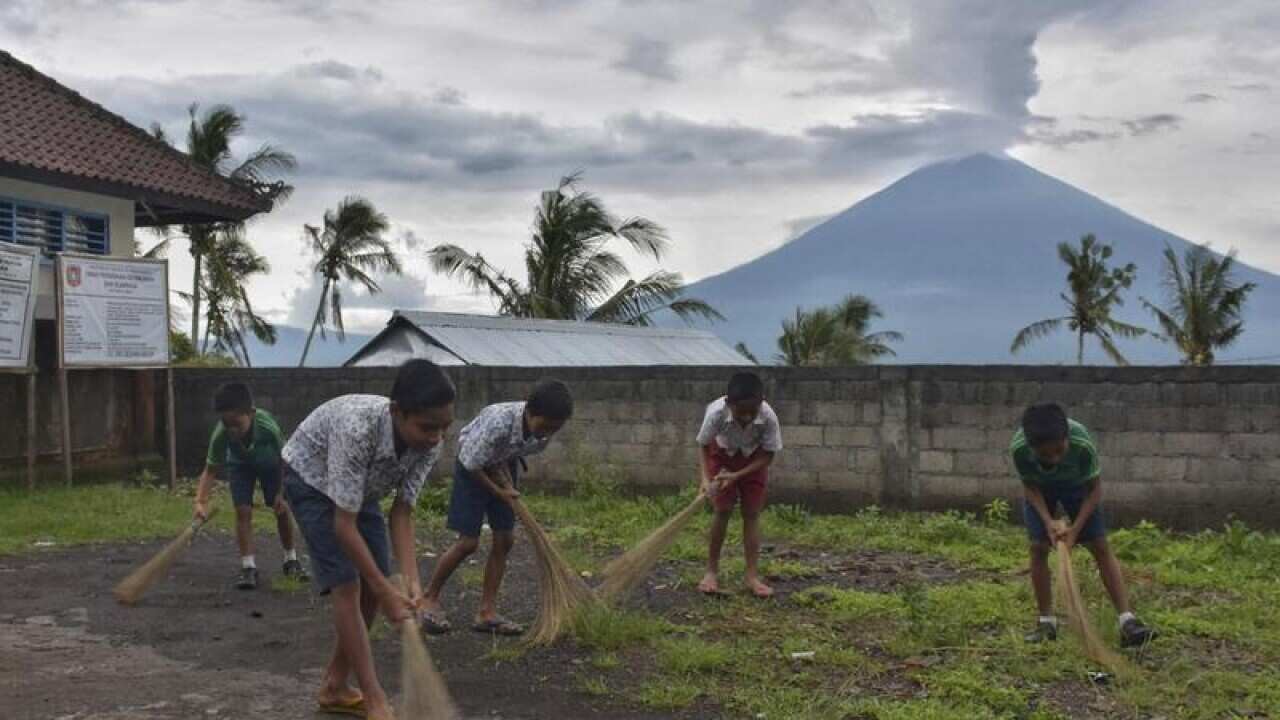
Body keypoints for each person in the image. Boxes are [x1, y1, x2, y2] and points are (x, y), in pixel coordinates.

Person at [282, 359, 456, 720]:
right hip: (310, 481)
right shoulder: (356, 430)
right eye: (427, 427)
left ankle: (335, 685)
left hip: (360, 491)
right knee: (349, 586)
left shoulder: (430, 441)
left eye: (444, 428)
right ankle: (373, 696)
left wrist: (411, 586)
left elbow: (402, 513)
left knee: (379, 584)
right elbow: (343, 526)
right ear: (397, 412)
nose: (436, 437)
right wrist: (382, 587)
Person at [419, 379, 574, 637]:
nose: (547, 432)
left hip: (501, 463)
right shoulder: (499, 422)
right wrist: (499, 491)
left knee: (505, 540)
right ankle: (429, 598)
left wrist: (505, 482)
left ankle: (486, 613)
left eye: (554, 429)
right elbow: (472, 461)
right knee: (468, 543)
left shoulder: (542, 435)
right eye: (545, 425)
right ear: (531, 412)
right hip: (471, 467)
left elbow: (506, 455)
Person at [1012, 403, 1157, 648]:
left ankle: (1127, 621)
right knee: (1037, 548)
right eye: (1045, 455)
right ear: (1032, 448)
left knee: (1100, 545)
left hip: (1078, 487)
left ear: (1067, 437)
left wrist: (1075, 530)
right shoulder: (1020, 450)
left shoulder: (1082, 443)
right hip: (1040, 489)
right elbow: (1030, 487)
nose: (1054, 459)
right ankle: (1046, 623)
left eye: (1059, 450)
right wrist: (1048, 522)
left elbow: (1094, 489)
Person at [193, 382, 305, 589]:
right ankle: (248, 567)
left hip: (272, 465)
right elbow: (210, 469)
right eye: (227, 424)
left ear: (251, 413)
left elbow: (287, 460)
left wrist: (281, 492)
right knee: (242, 511)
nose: (232, 430)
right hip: (240, 465)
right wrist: (200, 501)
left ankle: (291, 559)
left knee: (281, 510)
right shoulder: (221, 433)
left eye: (237, 423)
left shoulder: (267, 426)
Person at [696, 371, 783, 599]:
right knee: (722, 510)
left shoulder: (768, 416)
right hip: (722, 455)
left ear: (761, 403)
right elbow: (704, 445)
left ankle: (752, 576)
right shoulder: (716, 412)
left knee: (752, 513)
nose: (745, 417)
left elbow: (768, 456)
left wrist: (738, 475)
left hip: (754, 461)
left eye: (751, 411)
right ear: (728, 403)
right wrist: (705, 479)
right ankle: (711, 572)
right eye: (740, 411)